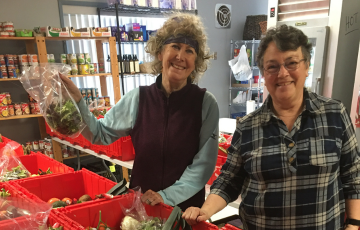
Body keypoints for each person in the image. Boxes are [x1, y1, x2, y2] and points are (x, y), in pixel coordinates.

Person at [183, 24, 360, 229]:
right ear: (264, 74)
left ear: (306, 65)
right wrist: (205, 210)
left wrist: (355, 223)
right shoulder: (248, 126)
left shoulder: (334, 114)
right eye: (272, 66)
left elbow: (352, 174)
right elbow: (229, 181)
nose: (283, 73)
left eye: (291, 63)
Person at [60, 13, 219, 211]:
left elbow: (202, 166)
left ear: (196, 62)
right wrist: (78, 102)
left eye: (190, 51)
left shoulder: (205, 104)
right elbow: (100, 134)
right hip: (142, 207)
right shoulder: (138, 98)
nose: (180, 56)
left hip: (184, 212)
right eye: (175, 47)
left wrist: (165, 196)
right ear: (160, 53)